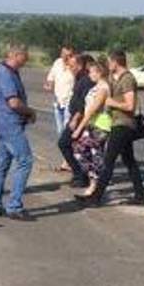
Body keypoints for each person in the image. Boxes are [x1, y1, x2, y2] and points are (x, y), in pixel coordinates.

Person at [80, 51, 143, 206]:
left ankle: (96, 197)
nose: (108, 65)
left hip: (123, 124)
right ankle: (139, 195)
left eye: (110, 62)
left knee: (108, 161)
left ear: (116, 62)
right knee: (129, 160)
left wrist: (111, 102)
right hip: (118, 122)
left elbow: (130, 105)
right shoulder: (117, 78)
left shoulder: (127, 79)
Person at [0, 44, 37, 220]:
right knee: (25, 161)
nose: (26, 60)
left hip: (4, 122)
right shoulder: (6, 74)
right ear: (16, 55)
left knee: (1, 164)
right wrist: (30, 111)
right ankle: (14, 205)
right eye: (25, 56)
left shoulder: (8, 72)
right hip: (10, 124)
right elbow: (14, 102)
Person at [70, 60, 112, 199]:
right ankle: (94, 181)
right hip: (93, 124)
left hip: (101, 125)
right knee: (80, 151)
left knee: (92, 153)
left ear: (99, 73)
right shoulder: (97, 86)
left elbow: (93, 110)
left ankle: (95, 185)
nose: (90, 75)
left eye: (92, 72)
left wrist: (79, 128)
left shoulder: (103, 88)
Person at [58, 54, 95, 188]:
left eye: (72, 66)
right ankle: (80, 174)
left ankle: (81, 175)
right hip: (75, 117)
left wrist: (75, 119)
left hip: (79, 119)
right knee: (76, 148)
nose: (70, 68)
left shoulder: (85, 80)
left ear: (80, 66)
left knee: (64, 143)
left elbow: (83, 103)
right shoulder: (79, 78)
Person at [44, 45, 77, 168]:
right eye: (63, 54)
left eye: (68, 55)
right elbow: (51, 77)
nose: (65, 57)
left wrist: (70, 67)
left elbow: (78, 78)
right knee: (60, 131)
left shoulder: (74, 64)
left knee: (67, 132)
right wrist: (49, 85)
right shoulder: (57, 63)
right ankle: (68, 158)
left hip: (69, 102)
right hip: (58, 101)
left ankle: (69, 161)